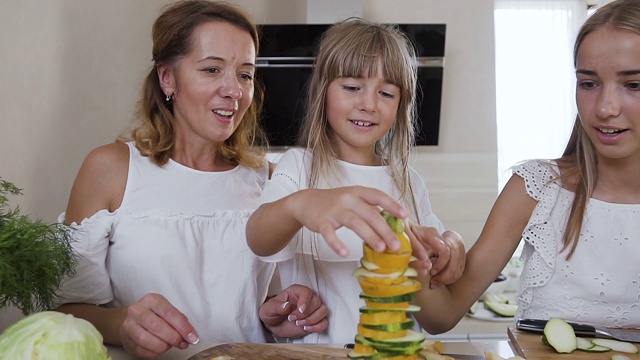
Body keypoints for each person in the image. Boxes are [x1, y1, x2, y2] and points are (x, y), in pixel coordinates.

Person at [53, 1, 328, 358]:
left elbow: (256, 305)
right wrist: (121, 324)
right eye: (212, 70)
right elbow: (64, 310)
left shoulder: (270, 181)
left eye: (245, 73)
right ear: (168, 78)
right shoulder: (110, 169)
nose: (234, 91)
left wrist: (278, 315)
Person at [412, 0, 640, 335]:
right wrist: (410, 257)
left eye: (633, 85)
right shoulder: (534, 188)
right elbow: (440, 317)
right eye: (588, 83)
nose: (605, 108)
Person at [246, 18, 466, 344]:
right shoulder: (298, 166)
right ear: (323, 91)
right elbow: (258, 238)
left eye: (387, 93)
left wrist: (451, 245)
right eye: (351, 87)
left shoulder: (409, 183)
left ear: (401, 105)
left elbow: (435, 309)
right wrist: (300, 206)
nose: (369, 104)